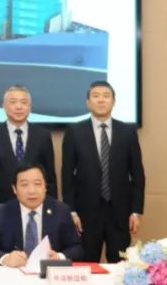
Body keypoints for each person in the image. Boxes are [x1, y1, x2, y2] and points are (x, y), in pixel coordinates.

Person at [61, 81, 146, 263]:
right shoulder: (74, 131)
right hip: (85, 214)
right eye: (96, 96)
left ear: (113, 102)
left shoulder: (127, 131)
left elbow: (137, 174)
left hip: (120, 214)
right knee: (86, 264)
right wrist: (71, 211)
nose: (101, 100)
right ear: (88, 102)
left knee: (120, 266)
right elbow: (67, 176)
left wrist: (136, 211)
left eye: (106, 96)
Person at [0, 161, 82, 266]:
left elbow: (77, 248)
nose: (32, 191)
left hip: (47, 272)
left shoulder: (61, 212)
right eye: (24, 185)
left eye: (37, 184)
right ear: (14, 189)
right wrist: (6, 258)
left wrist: (59, 257)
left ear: (45, 187)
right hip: (13, 273)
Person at [0, 85, 58, 204]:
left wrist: (51, 206)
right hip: (2, 205)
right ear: (4, 106)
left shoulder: (43, 135)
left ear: (29, 107)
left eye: (24, 102)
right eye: (13, 102)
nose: (19, 107)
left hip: (36, 204)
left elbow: (50, 177)